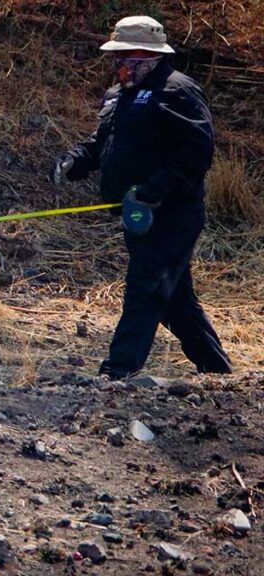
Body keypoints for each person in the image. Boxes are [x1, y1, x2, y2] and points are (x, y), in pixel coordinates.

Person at [50, 15, 232, 380]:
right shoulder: (120, 94)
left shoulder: (177, 90)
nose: (119, 65)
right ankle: (218, 371)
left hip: (173, 214)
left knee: (146, 286)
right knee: (175, 300)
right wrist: (76, 162)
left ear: (150, 56)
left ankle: (116, 373)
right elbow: (104, 144)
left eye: (127, 57)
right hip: (138, 217)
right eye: (116, 57)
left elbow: (198, 151)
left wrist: (155, 190)